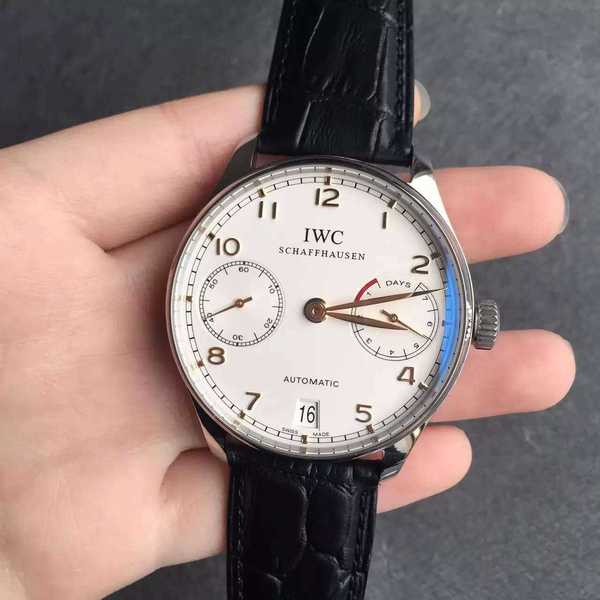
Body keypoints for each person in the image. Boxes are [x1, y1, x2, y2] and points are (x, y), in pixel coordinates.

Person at [0, 85, 575, 599]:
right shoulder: (268, 174)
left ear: (472, 322)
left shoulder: (271, 175)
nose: (316, 312)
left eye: (325, 311)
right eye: (319, 309)